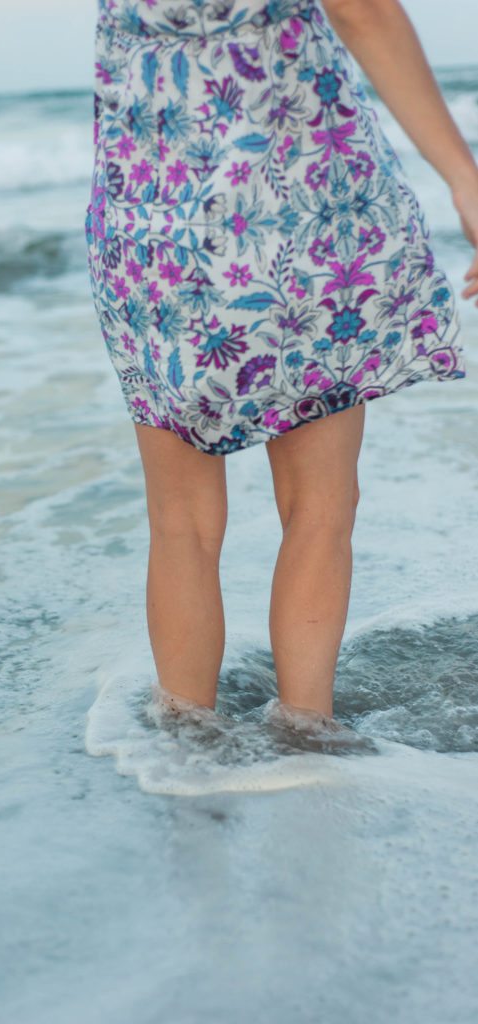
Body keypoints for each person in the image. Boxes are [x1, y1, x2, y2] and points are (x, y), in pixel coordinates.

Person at [84, 0, 478, 719]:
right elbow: (362, 10)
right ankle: (305, 738)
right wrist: (463, 174)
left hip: (150, 233)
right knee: (319, 508)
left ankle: (183, 753)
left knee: (180, 522)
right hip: (299, 215)